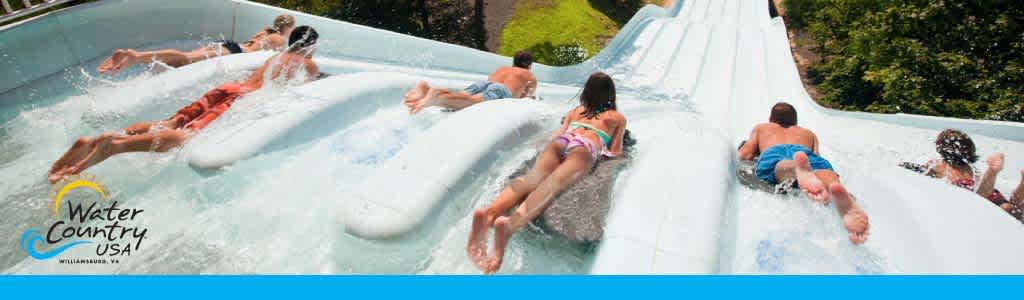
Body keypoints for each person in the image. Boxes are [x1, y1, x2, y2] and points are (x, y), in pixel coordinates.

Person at [48, 26, 320, 184]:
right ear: (311, 46)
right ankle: (115, 146)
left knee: (170, 123)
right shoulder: (307, 63)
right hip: (241, 98)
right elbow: (308, 89)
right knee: (183, 137)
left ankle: (103, 139)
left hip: (227, 90)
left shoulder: (273, 57)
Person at [466, 72, 626, 274]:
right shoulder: (616, 118)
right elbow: (615, 151)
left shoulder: (576, 111)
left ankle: (488, 214)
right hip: (584, 148)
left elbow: (558, 134)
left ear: (586, 92)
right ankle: (507, 228)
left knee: (531, 178)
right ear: (610, 94)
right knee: (550, 186)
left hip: (562, 141)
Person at [737, 102, 870, 244]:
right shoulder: (808, 134)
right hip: (803, 151)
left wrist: (747, 149)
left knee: (782, 164)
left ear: (771, 118)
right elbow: (817, 156)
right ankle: (833, 185)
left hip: (774, 150)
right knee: (817, 168)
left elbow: (745, 155)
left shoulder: (762, 128)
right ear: (795, 120)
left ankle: (795, 169)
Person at [97, 15, 296, 75]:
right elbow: (275, 62)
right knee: (186, 59)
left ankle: (141, 58)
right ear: (288, 28)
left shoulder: (263, 31)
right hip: (235, 51)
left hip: (228, 45)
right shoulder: (279, 39)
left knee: (184, 58)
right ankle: (137, 56)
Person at [900, 129, 1024, 220]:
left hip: (979, 196)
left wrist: (904, 166)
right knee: (1013, 209)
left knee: (982, 202)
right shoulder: (971, 167)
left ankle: (992, 172)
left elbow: (921, 176)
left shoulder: (938, 165)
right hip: (991, 191)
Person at [404, 51, 537, 114]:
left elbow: (490, 83)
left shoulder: (502, 68)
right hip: (500, 91)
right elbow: (526, 98)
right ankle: (435, 95)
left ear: (514, 61)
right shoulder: (529, 76)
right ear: (529, 64)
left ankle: (427, 89)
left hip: (484, 83)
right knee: (472, 102)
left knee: (459, 98)